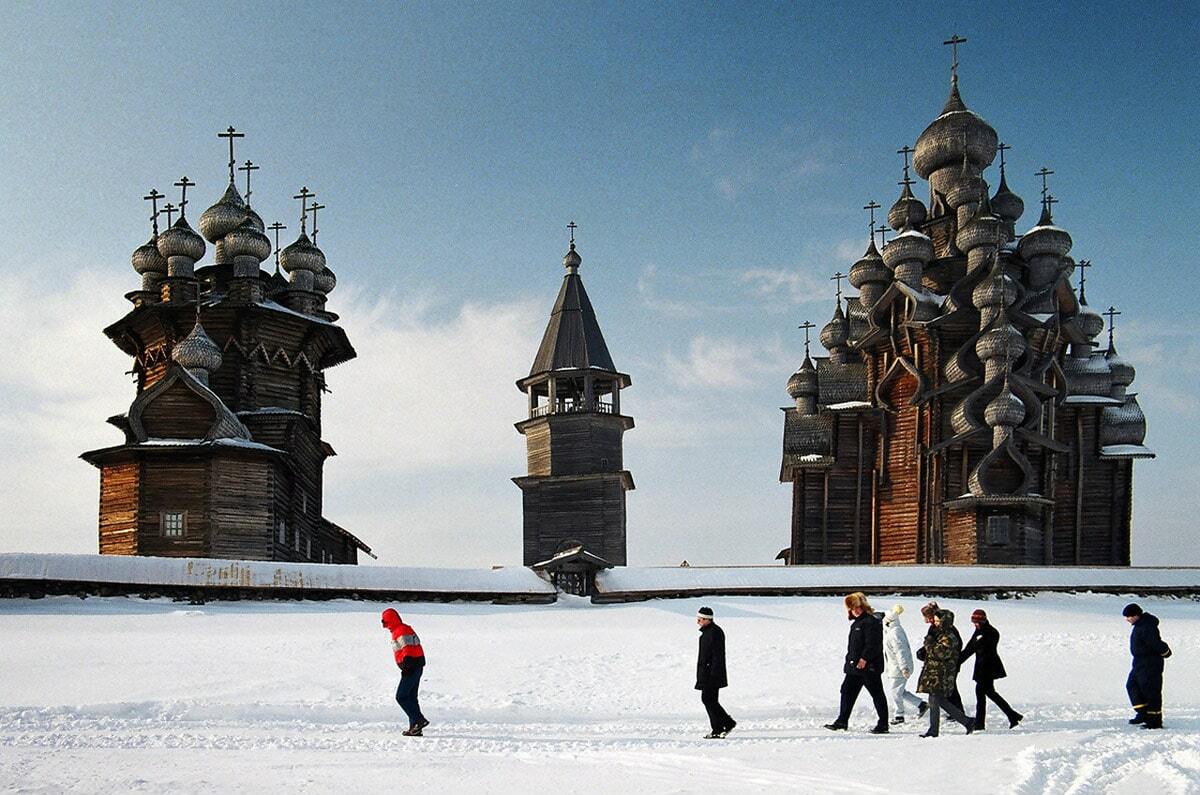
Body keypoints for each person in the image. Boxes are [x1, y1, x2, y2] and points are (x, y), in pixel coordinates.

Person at [824, 592, 889, 734]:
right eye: (853, 608)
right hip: (855, 667)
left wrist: (864, 659)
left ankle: (883, 723)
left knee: (877, 693)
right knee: (847, 691)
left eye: (858, 607)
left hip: (868, 666)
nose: (856, 610)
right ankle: (842, 720)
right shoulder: (857, 623)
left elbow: (873, 644)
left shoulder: (871, 622)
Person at [960, 609, 1023, 730]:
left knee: (981, 693)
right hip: (981, 668)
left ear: (983, 620)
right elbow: (969, 649)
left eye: (977, 622)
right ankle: (1012, 715)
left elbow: (978, 648)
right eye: (974, 622)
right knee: (989, 693)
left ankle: (980, 724)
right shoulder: (979, 631)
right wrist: (957, 662)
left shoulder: (991, 632)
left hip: (988, 668)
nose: (975, 624)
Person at [916, 609, 974, 737]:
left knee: (934, 699)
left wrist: (929, 645)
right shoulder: (939, 633)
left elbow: (941, 653)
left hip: (942, 673)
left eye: (937, 621)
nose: (935, 623)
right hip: (934, 672)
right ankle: (967, 721)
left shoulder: (949, 636)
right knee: (940, 700)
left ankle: (933, 730)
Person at [1123, 603, 1172, 730]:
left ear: (1136, 615)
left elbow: (1155, 643)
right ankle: (1143, 713)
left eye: (1129, 616)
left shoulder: (1147, 626)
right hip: (1139, 662)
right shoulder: (1140, 625)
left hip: (1150, 663)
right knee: (1132, 686)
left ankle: (1155, 720)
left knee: (1150, 690)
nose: (1127, 619)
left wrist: (1165, 652)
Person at [381, 608, 429, 737]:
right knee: (411, 697)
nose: (383, 625)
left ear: (389, 620)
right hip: (416, 665)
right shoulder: (399, 630)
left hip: (412, 666)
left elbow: (407, 649)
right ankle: (415, 727)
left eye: (384, 621)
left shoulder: (400, 630)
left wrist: (407, 667)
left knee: (401, 696)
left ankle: (419, 720)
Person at [695, 606, 736, 739]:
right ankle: (724, 724)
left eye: (700, 619)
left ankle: (721, 726)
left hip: (711, 674)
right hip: (707, 673)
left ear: (707, 620)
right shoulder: (708, 633)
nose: (698, 622)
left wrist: (713, 674)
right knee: (709, 700)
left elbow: (717, 656)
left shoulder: (714, 633)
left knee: (708, 699)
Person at [883, 604, 927, 725]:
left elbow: (900, 651)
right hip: (895, 667)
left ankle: (899, 715)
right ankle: (921, 704)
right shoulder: (893, 631)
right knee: (899, 691)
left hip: (899, 668)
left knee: (895, 692)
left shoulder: (894, 633)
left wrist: (904, 668)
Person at [915, 601, 963, 711]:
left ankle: (958, 712)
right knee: (941, 691)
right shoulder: (934, 628)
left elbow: (947, 646)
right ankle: (955, 711)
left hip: (948, 663)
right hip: (937, 664)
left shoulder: (947, 630)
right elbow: (930, 642)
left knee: (949, 689)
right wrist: (924, 651)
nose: (927, 621)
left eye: (929, 618)